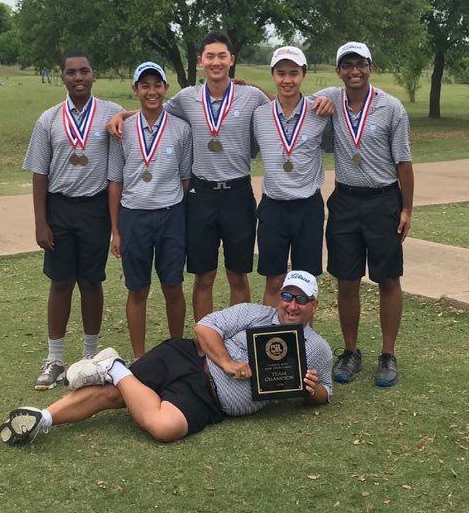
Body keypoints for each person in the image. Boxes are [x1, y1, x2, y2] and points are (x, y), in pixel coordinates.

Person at [0, 270, 333, 446]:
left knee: (162, 426)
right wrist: (229, 363)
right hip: (187, 357)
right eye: (287, 295)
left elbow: (325, 394)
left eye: (301, 300)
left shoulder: (317, 348)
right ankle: (43, 418)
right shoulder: (253, 313)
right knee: (115, 395)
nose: (291, 304)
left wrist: (311, 390)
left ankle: (113, 367)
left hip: (209, 399)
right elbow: (204, 328)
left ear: (314, 305)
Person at [107, 32, 268, 321]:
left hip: (238, 194)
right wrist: (123, 115)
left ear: (232, 59)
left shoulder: (251, 96)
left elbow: (281, 108)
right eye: (210, 56)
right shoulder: (187, 98)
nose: (216, 62)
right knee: (204, 276)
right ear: (200, 60)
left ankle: (238, 340)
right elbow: (153, 109)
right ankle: (204, 347)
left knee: (237, 275)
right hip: (201, 196)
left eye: (222, 56)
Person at [22, 51, 122, 390]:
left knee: (92, 281)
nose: (78, 77)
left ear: (93, 74)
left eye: (84, 71)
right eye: (70, 72)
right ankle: (54, 358)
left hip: (95, 209)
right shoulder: (49, 119)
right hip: (59, 208)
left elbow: (146, 114)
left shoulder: (110, 113)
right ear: (62, 77)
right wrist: (40, 222)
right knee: (61, 282)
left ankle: (89, 357)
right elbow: (39, 172)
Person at [318, 41, 414, 388]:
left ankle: (387, 355)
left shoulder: (391, 107)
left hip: (383, 200)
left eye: (360, 64)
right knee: (346, 279)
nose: (354, 71)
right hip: (344, 200)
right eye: (347, 65)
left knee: (388, 278)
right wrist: (244, 86)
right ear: (339, 70)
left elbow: (403, 162)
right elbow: (289, 94)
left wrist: (406, 208)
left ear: (370, 67)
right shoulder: (330, 98)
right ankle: (351, 351)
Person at [108, 61, 192, 358]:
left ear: (166, 89)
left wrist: (167, 203)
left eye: (157, 85)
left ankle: (177, 352)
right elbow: (115, 182)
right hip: (133, 216)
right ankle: (140, 358)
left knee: (173, 286)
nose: (152, 91)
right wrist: (116, 230)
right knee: (138, 289)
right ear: (135, 89)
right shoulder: (122, 130)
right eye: (145, 85)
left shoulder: (181, 129)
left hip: (170, 215)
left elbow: (185, 178)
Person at [253, 46, 332, 306]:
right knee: (274, 281)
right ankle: (268, 341)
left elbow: (334, 143)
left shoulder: (320, 112)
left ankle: (304, 342)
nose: (287, 80)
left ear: (304, 75)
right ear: (273, 75)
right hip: (273, 207)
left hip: (307, 207)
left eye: (294, 73)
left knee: (305, 282)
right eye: (281, 73)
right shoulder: (259, 115)